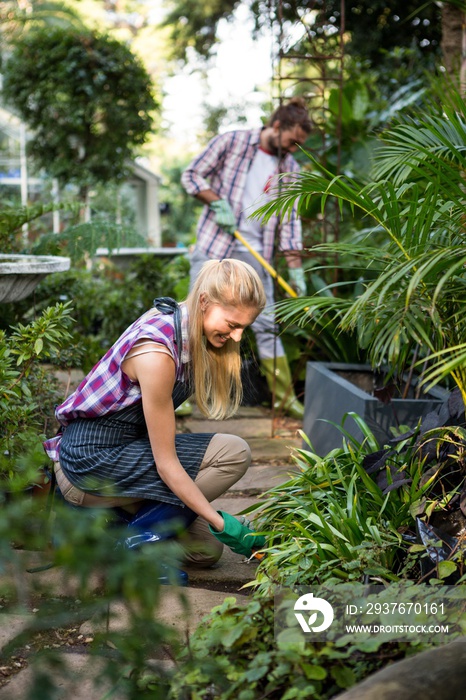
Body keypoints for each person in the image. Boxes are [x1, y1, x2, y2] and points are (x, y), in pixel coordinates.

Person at [43, 259, 267, 574]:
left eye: (244, 327)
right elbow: (166, 463)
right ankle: (131, 548)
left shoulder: (183, 323)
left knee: (207, 551)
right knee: (233, 452)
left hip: (122, 457)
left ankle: (100, 535)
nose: (237, 337)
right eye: (232, 324)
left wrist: (222, 527)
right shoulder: (158, 353)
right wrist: (221, 521)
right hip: (89, 466)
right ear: (204, 301)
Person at [181, 97, 312, 420]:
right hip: (216, 243)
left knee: (267, 322)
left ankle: (283, 398)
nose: (294, 149)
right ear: (276, 125)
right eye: (291, 141)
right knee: (197, 315)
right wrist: (215, 202)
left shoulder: (290, 168)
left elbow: (290, 218)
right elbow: (192, 175)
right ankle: (179, 394)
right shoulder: (233, 142)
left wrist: (296, 270)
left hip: (257, 251)